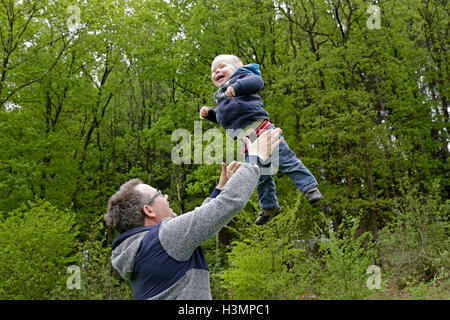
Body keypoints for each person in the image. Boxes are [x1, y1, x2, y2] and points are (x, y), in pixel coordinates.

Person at [104, 128, 283, 300]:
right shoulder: (164, 238)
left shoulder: (138, 251)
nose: (166, 196)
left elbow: (199, 220)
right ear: (148, 210)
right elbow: (229, 203)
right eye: (159, 194)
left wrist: (219, 190)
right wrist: (255, 160)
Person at [199, 54, 322, 225]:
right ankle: (269, 207)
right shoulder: (220, 95)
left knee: (286, 161)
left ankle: (309, 187)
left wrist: (237, 87)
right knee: (260, 175)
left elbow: (257, 83)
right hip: (249, 142)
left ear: (237, 68)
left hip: (263, 131)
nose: (217, 71)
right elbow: (226, 118)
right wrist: (211, 114)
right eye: (213, 71)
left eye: (221, 66)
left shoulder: (243, 77)